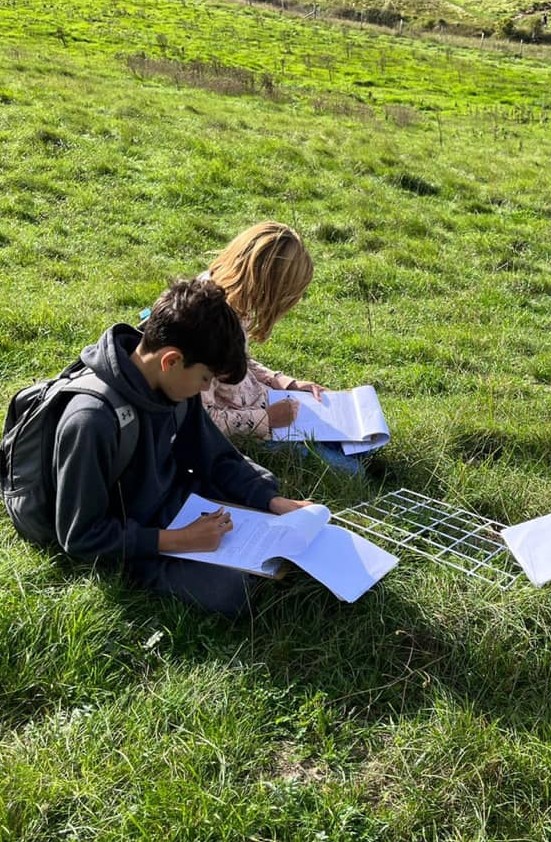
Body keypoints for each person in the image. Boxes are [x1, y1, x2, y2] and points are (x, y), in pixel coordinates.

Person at [53, 277, 312, 616]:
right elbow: (81, 535)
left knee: (261, 489)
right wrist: (179, 541)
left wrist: (271, 500)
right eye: (206, 379)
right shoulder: (92, 420)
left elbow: (215, 456)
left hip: (170, 499)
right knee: (230, 591)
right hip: (129, 526)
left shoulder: (175, 387)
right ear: (171, 360)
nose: (205, 389)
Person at [198, 221, 361, 473]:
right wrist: (268, 420)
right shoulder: (206, 325)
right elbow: (203, 419)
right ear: (267, 287)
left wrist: (284, 382)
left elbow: (239, 361)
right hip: (253, 426)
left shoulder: (233, 300)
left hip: (265, 403)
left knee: (361, 442)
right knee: (352, 470)